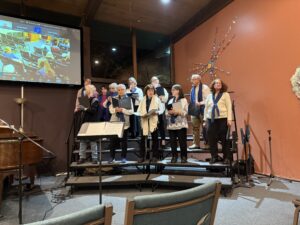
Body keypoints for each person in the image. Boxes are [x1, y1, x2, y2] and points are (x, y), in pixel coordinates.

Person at [203, 78, 232, 164]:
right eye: (216, 83)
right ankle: (214, 156)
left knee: (224, 139)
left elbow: (229, 107)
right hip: (211, 120)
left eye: (219, 83)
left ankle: (226, 157)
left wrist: (229, 119)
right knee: (211, 139)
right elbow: (206, 108)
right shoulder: (209, 96)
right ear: (213, 85)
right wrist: (204, 120)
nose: (218, 84)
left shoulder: (225, 94)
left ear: (222, 85)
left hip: (222, 119)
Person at [137, 84, 164, 163]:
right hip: (144, 121)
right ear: (146, 91)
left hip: (153, 121)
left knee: (155, 139)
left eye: (152, 90)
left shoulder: (157, 99)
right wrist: (142, 114)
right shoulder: (142, 99)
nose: (150, 92)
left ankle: (155, 156)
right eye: (149, 90)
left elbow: (161, 110)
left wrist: (157, 113)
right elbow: (138, 111)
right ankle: (142, 156)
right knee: (142, 139)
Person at [109, 84, 134, 163]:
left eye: (122, 89)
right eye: (119, 90)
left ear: (125, 90)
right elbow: (110, 110)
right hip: (114, 123)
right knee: (112, 141)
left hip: (124, 124)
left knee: (124, 142)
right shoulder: (114, 99)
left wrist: (122, 110)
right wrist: (115, 110)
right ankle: (112, 157)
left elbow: (131, 112)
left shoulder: (128, 99)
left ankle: (123, 157)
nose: (120, 91)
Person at [166, 84, 188, 163]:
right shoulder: (170, 100)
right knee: (172, 142)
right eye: (172, 90)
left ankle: (184, 157)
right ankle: (174, 156)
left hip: (181, 124)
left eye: (173, 90)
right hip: (172, 125)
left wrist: (177, 111)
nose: (172, 91)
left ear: (178, 91)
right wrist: (169, 112)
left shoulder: (183, 100)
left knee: (182, 142)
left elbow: (186, 112)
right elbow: (166, 112)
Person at [77, 84, 100, 164]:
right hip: (84, 123)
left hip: (92, 123)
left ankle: (94, 158)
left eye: (86, 90)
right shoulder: (85, 99)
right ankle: (82, 157)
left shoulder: (95, 100)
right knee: (82, 141)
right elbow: (85, 111)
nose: (85, 91)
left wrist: (85, 108)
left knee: (93, 141)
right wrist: (80, 108)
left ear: (90, 90)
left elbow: (93, 111)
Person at [188, 74, 210, 149]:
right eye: (192, 79)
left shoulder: (205, 87)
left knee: (205, 127)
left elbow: (208, 99)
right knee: (195, 127)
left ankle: (207, 144)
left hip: (203, 109)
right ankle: (196, 144)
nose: (192, 81)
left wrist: (200, 103)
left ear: (199, 80)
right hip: (194, 110)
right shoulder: (192, 89)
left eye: (194, 79)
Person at [151, 76, 169, 149]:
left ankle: (163, 141)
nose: (155, 81)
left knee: (161, 126)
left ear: (158, 81)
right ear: (151, 82)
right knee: (153, 126)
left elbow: (166, 99)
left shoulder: (163, 89)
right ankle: (154, 143)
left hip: (161, 110)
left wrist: (162, 98)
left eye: (156, 80)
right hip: (153, 110)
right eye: (153, 80)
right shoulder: (150, 89)